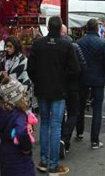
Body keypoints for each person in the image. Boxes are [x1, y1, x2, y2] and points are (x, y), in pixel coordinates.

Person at [27, 16, 79, 174]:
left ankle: (43, 161)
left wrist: (38, 80)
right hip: (59, 90)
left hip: (42, 90)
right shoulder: (66, 45)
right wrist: (64, 81)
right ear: (61, 28)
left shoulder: (38, 44)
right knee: (56, 125)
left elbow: (31, 68)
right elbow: (75, 69)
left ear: (48, 28)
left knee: (44, 123)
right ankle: (53, 164)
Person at [76, 19, 105, 149]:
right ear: (97, 29)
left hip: (82, 78)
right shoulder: (103, 43)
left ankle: (79, 132)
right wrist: (101, 69)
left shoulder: (79, 42)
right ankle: (94, 140)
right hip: (98, 78)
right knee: (97, 108)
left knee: (80, 106)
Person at [0, 77, 36, 176]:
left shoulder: (0, 112)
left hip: (5, 153)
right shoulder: (18, 115)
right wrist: (27, 148)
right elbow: (21, 132)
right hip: (19, 155)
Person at [60, 24, 87, 157]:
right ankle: (65, 139)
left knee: (59, 114)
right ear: (65, 32)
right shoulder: (74, 46)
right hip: (73, 86)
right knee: (73, 113)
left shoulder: (54, 46)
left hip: (59, 86)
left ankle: (61, 140)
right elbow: (82, 66)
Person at [0, 36, 31, 103]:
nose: (8, 48)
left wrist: (7, 77)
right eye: (6, 46)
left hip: (19, 96)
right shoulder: (4, 60)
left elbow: (25, 79)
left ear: (16, 46)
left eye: (10, 46)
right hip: (5, 95)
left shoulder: (23, 60)